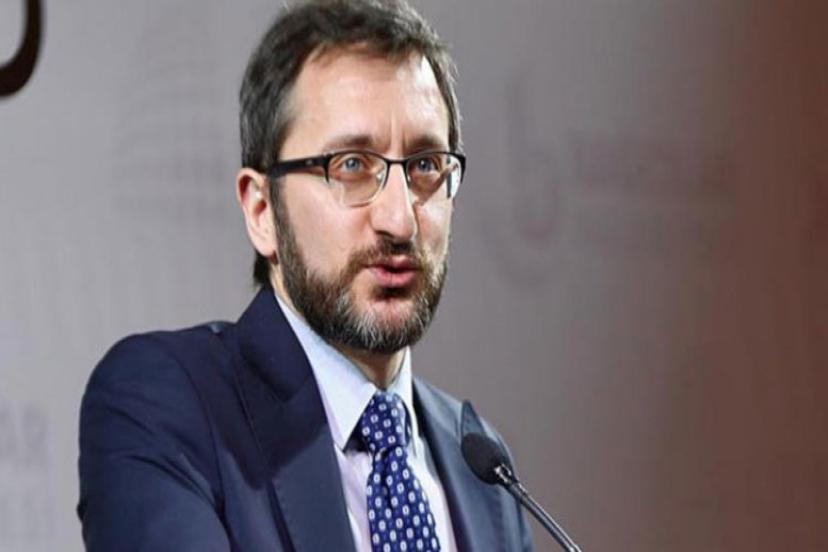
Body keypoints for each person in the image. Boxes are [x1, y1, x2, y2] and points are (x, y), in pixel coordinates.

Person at [77, 1, 533, 550]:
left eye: (425, 166)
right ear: (262, 211)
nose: (400, 219)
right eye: (351, 165)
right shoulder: (168, 408)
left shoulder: (481, 469)